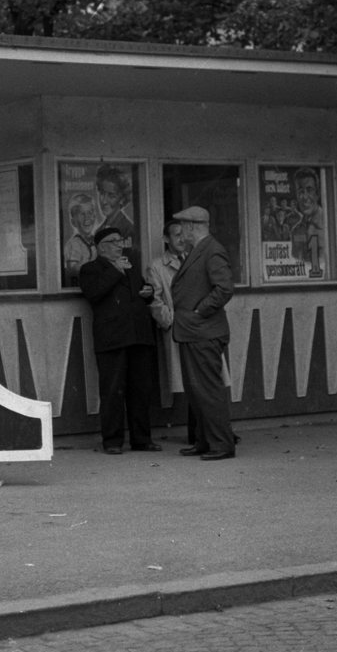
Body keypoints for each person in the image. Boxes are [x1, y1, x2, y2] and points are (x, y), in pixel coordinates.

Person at [78, 226, 160, 455]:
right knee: (112, 391)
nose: (119, 245)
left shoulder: (129, 267)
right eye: (113, 241)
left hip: (138, 336)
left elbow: (143, 291)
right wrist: (115, 270)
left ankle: (141, 440)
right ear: (101, 247)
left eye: (120, 241)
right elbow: (94, 293)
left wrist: (148, 292)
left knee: (141, 391)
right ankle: (112, 441)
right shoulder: (90, 269)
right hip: (112, 338)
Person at [170, 205, 236, 460]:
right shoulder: (200, 250)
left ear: (191, 227)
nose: (181, 232)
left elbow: (224, 288)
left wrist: (201, 311)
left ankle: (221, 444)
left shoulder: (211, 250)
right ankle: (205, 441)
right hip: (194, 332)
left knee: (208, 391)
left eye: (182, 227)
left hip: (203, 331)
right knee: (197, 392)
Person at [95, 165, 134, 242]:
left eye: (111, 196)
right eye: (102, 193)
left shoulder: (128, 230)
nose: (104, 201)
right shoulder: (99, 231)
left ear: (122, 199)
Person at [63, 193, 99, 279]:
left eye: (90, 213)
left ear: (94, 217)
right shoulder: (74, 244)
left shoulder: (96, 240)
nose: (87, 218)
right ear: (73, 222)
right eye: (82, 214)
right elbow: (72, 268)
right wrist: (94, 270)